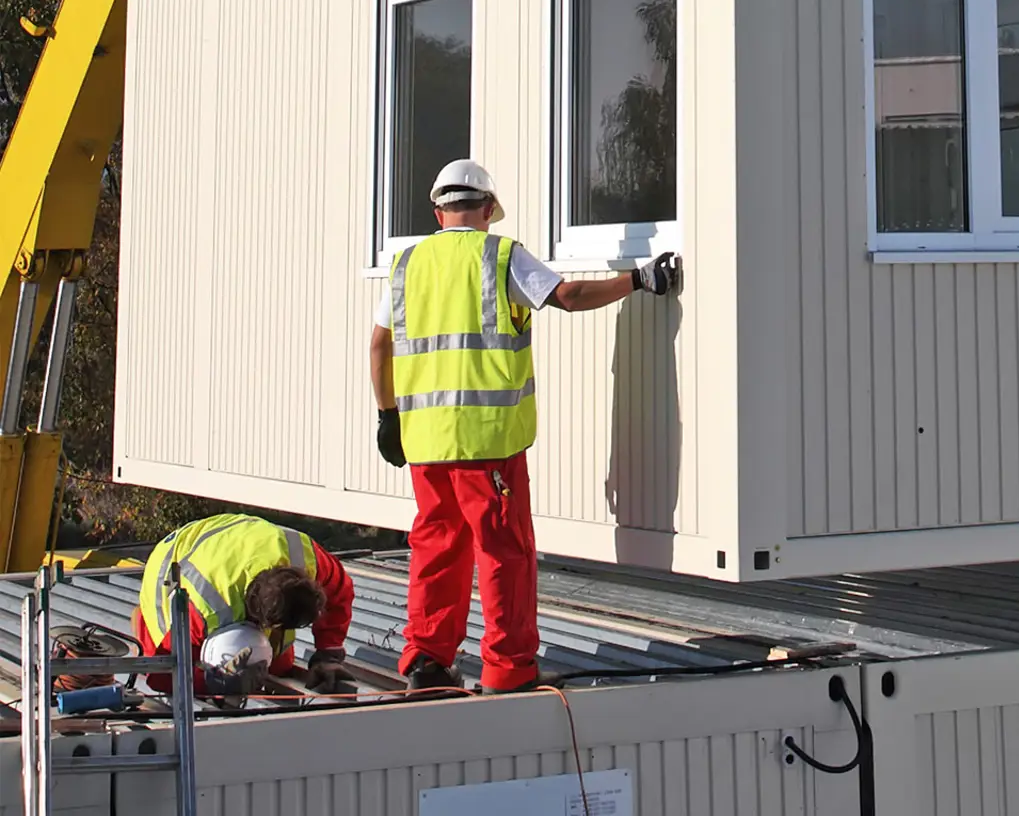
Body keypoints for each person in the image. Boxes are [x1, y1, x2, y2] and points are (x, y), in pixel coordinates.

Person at [369, 158, 681, 694]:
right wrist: (638, 279)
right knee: (502, 551)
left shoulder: (405, 264)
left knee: (436, 548)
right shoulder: (499, 255)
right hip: (488, 443)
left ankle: (426, 660)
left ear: (438, 211)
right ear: (488, 209)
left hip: (426, 445)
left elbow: (380, 345)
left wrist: (387, 416)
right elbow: (569, 297)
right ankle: (508, 669)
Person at [135, 512, 355, 695]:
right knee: (164, 655)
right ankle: (140, 620)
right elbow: (162, 675)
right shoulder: (204, 606)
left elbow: (340, 592)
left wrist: (328, 656)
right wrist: (213, 683)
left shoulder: (308, 560)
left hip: (239, 537)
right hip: (172, 556)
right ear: (266, 621)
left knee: (276, 667)